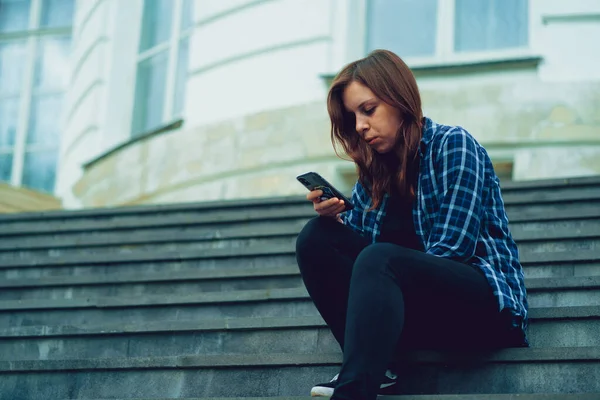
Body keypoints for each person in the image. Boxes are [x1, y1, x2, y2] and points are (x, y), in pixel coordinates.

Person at [295, 49, 529, 400]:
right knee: (316, 237)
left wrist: (388, 271)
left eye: (369, 110)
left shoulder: (454, 145)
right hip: (419, 313)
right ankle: (380, 366)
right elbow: (361, 261)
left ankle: (354, 390)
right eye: (353, 117)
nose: (360, 126)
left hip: (482, 306)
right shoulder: (375, 172)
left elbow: (454, 249)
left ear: (399, 98)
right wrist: (337, 217)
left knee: (380, 259)